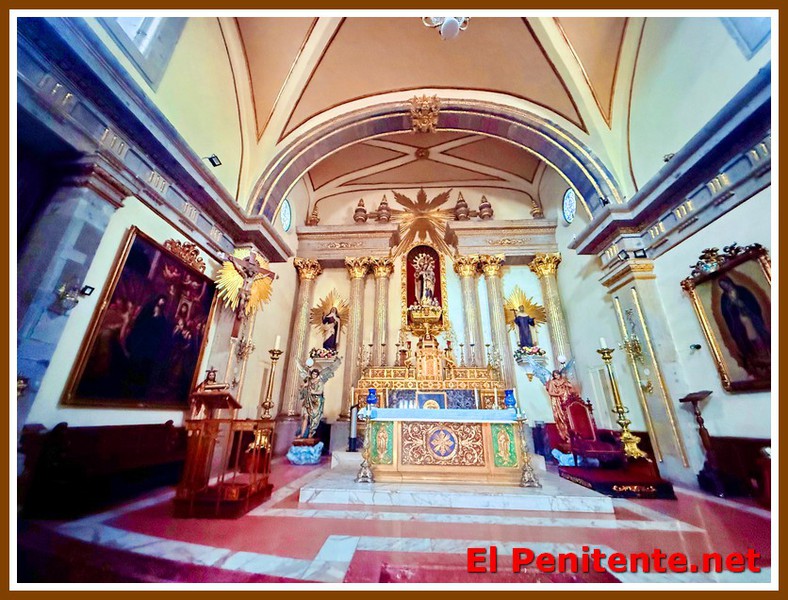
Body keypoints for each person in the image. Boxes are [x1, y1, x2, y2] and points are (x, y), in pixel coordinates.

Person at [717, 275, 770, 378]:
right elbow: (726, 313)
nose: (725, 287)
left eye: (726, 284)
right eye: (722, 286)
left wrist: (742, 304)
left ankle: (767, 353)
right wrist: (731, 306)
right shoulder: (724, 298)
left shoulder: (742, 291)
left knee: (759, 336)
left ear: (729, 282)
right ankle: (756, 356)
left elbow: (752, 303)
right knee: (747, 340)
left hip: (751, 318)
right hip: (739, 323)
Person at [296, 358, 342, 439]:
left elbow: (320, 392)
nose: (313, 376)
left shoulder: (320, 382)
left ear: (317, 375)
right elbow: (304, 385)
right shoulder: (309, 380)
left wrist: (312, 391)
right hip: (308, 400)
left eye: (315, 374)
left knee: (314, 419)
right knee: (305, 417)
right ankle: (302, 434)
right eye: (313, 374)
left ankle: (311, 433)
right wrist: (302, 387)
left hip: (316, 402)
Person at [545, 370, 575, 445]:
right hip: (558, 402)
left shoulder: (563, 380)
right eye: (555, 375)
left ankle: (573, 436)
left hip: (566, 401)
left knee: (570, 418)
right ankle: (566, 436)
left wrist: (567, 385)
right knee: (561, 418)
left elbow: (571, 387)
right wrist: (559, 394)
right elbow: (550, 392)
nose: (557, 376)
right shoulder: (552, 382)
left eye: (558, 375)